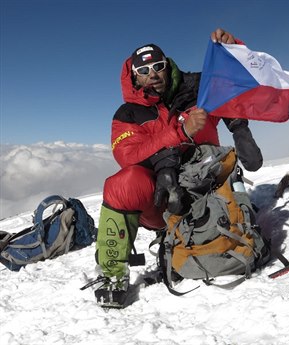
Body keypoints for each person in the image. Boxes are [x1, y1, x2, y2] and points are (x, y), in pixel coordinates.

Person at [94, 28, 263, 306]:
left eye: (157, 66)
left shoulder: (198, 87)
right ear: (134, 76)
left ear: (167, 65)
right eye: (144, 70)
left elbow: (237, 82)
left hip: (210, 187)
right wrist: (180, 133)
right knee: (123, 184)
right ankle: (113, 273)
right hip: (164, 199)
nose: (152, 74)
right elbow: (128, 155)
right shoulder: (128, 114)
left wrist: (233, 50)